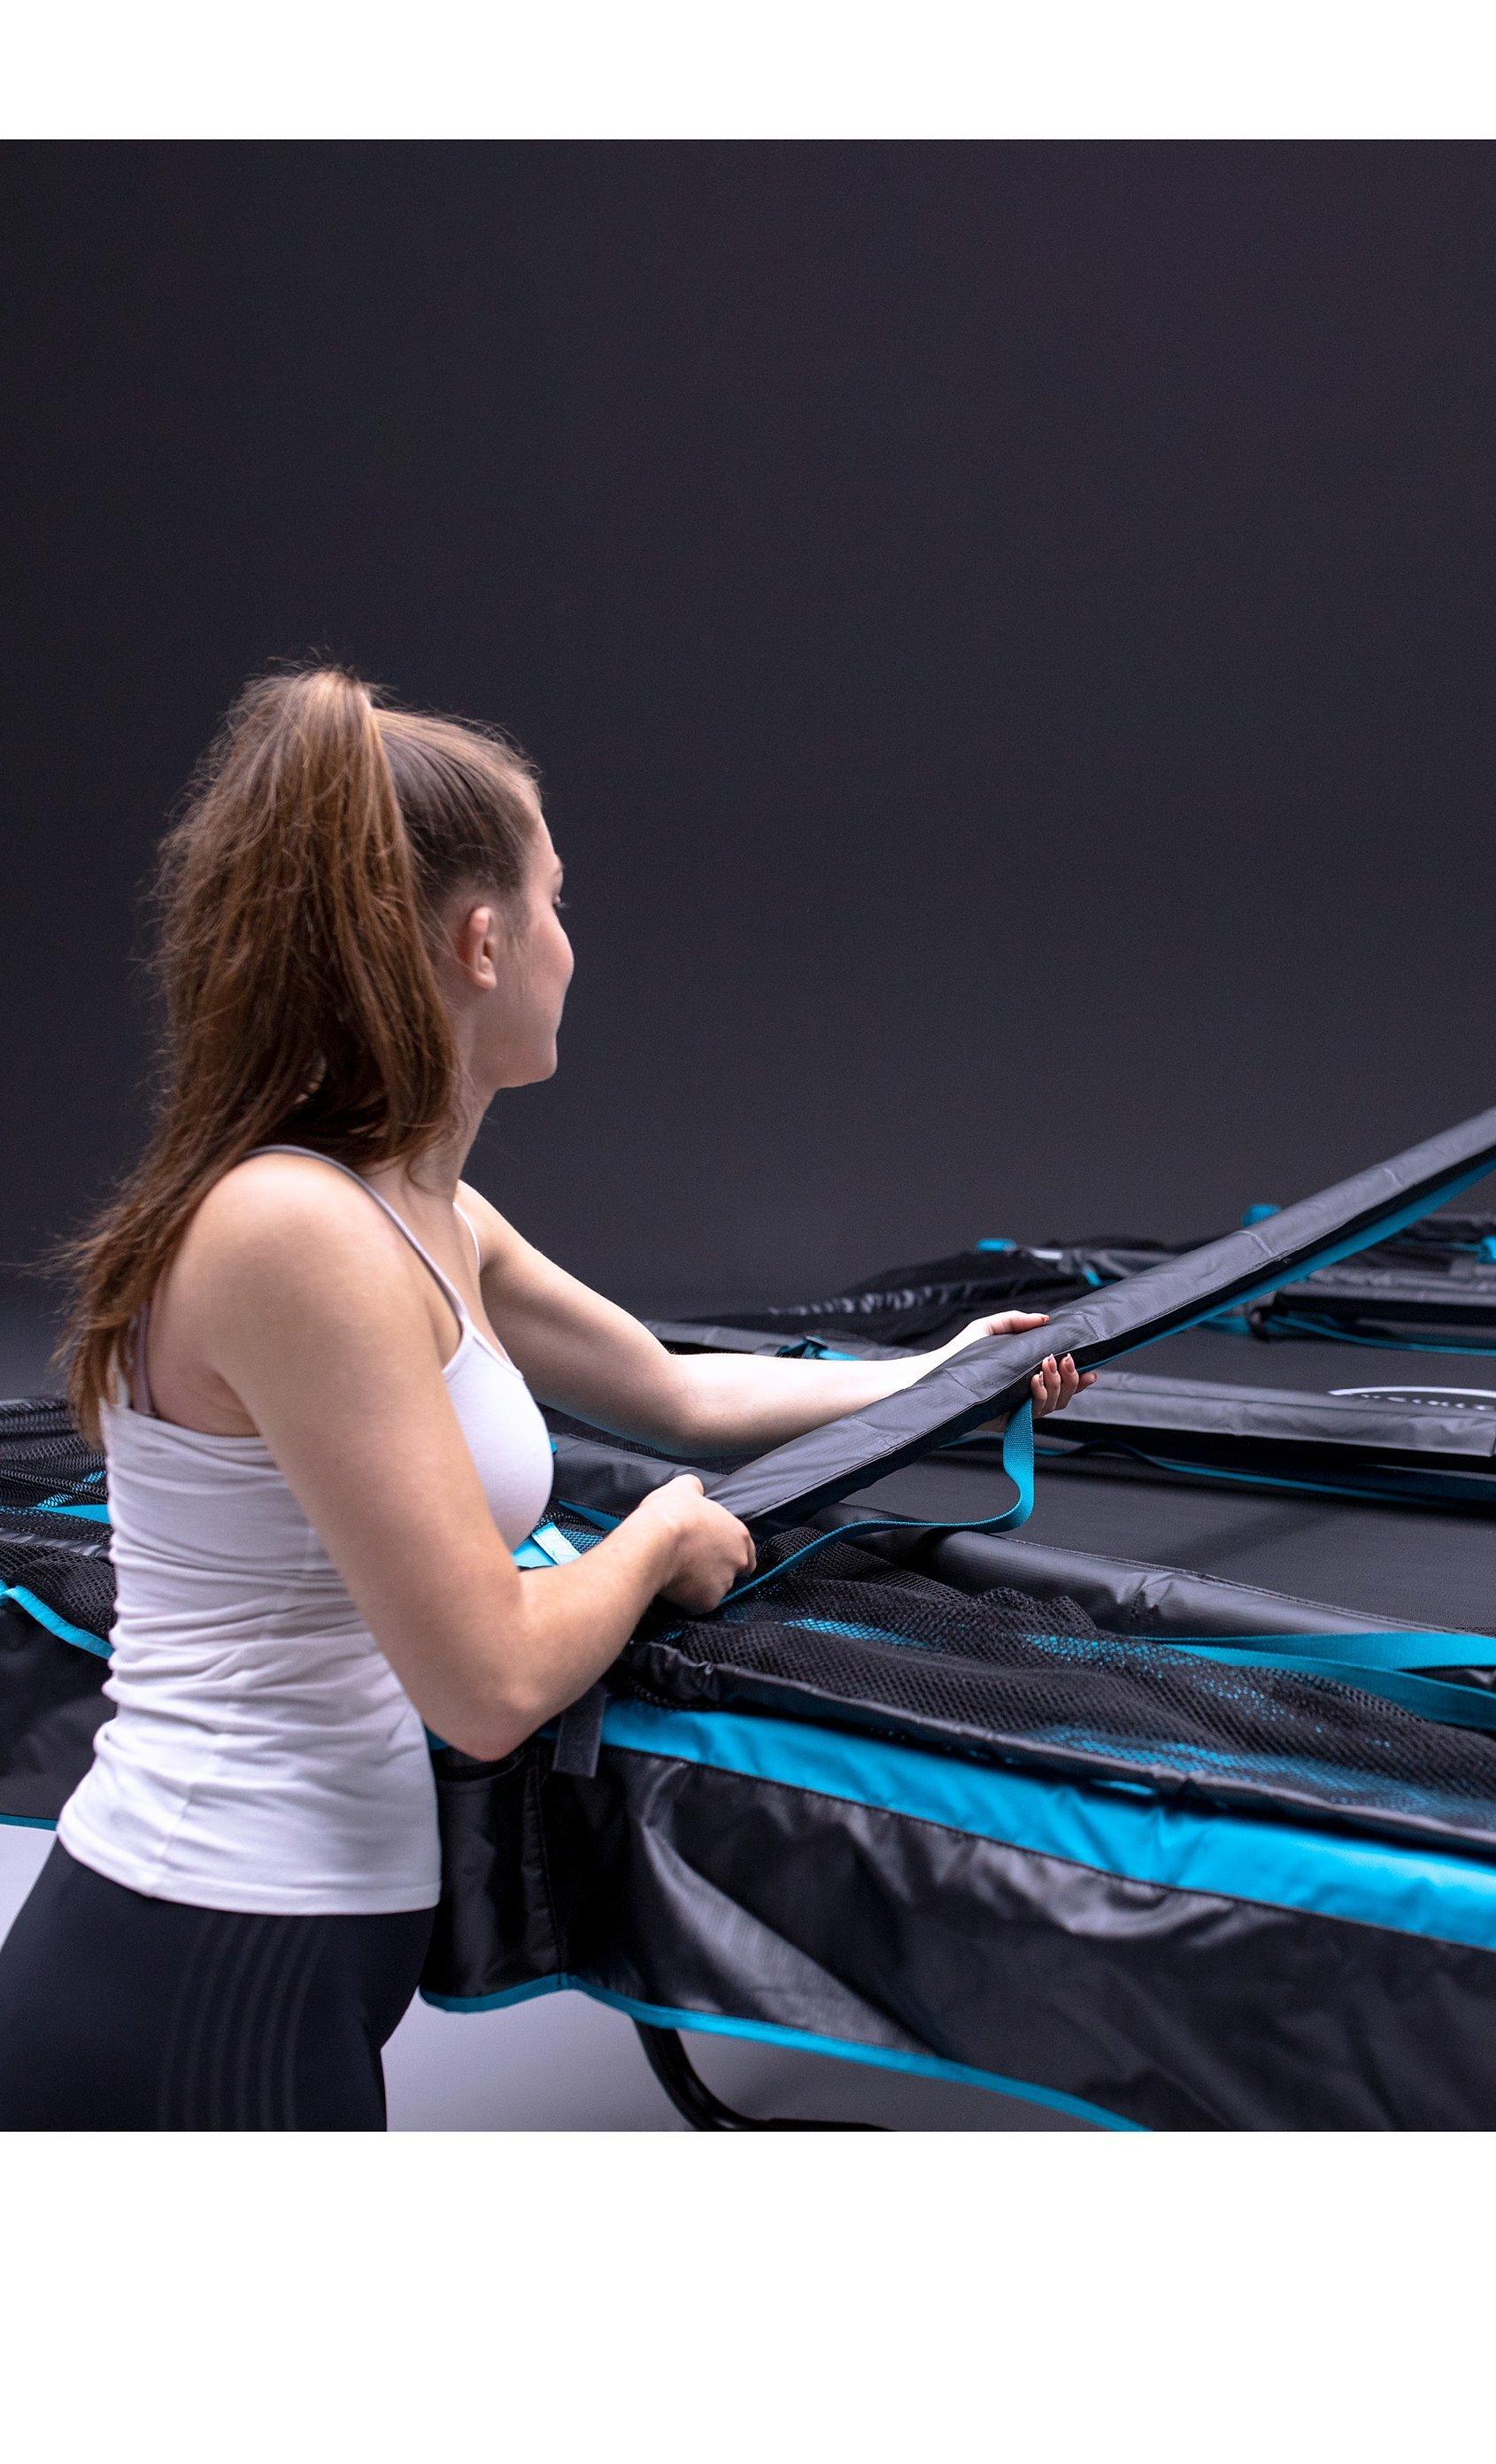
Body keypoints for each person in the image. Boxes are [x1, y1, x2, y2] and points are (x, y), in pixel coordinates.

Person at [0, 667, 1090, 2129]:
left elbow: (673, 1392)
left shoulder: (420, 1211)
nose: (573, 944)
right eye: (557, 901)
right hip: (204, 1956)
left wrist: (947, 1374)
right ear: (484, 940)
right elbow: (490, 1685)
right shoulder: (296, 1235)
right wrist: (658, 1541)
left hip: (273, 1947)